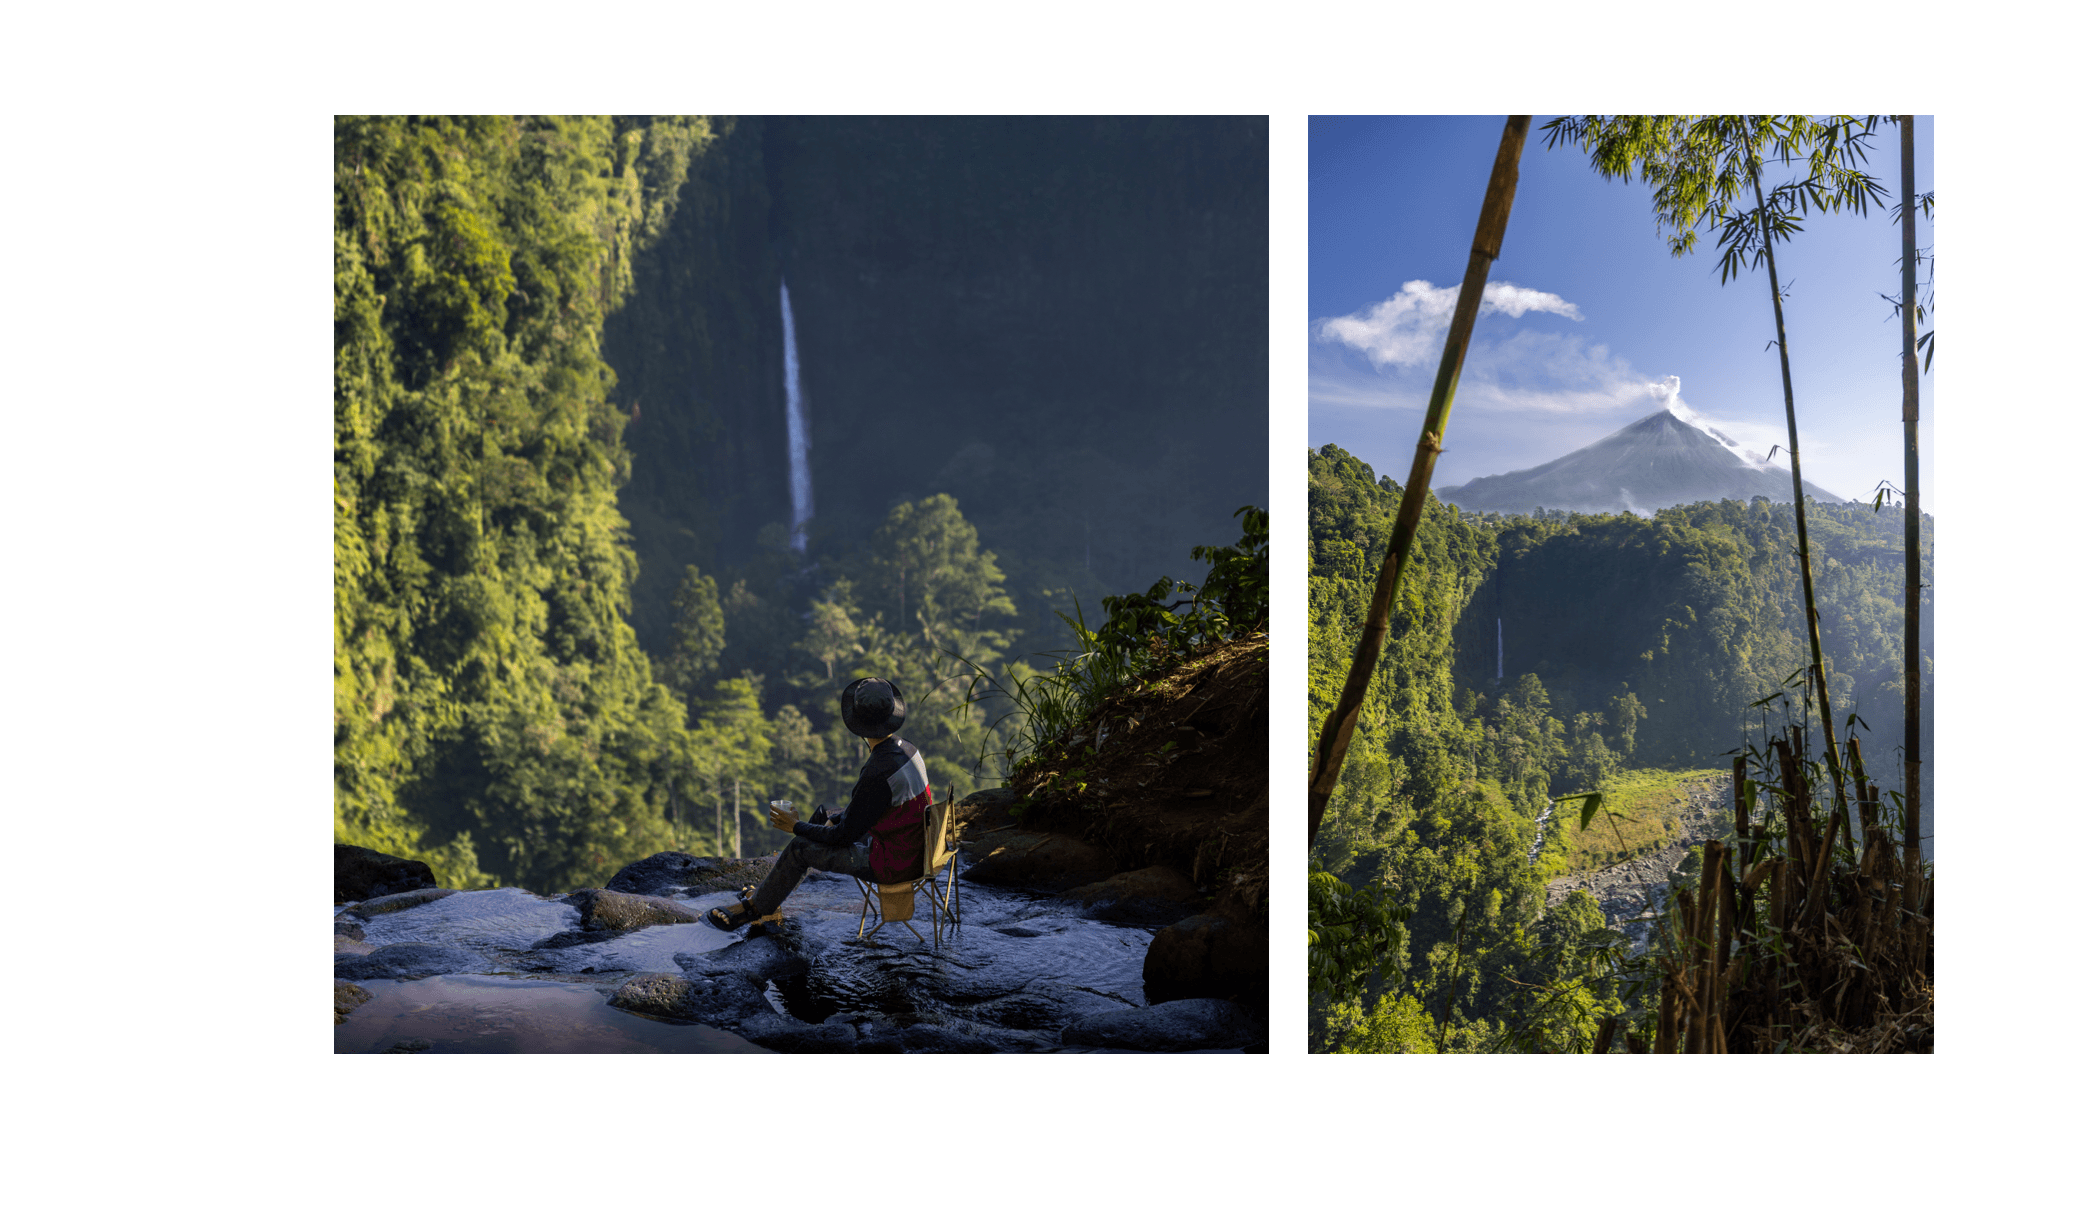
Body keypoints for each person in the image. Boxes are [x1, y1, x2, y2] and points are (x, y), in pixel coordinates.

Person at [706, 677, 931, 931]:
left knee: (799, 847)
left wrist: (796, 826)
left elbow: (843, 837)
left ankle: (757, 909)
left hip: (893, 862)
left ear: (857, 723)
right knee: (826, 812)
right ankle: (771, 894)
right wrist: (828, 823)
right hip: (910, 844)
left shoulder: (877, 772)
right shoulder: (907, 749)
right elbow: (878, 810)